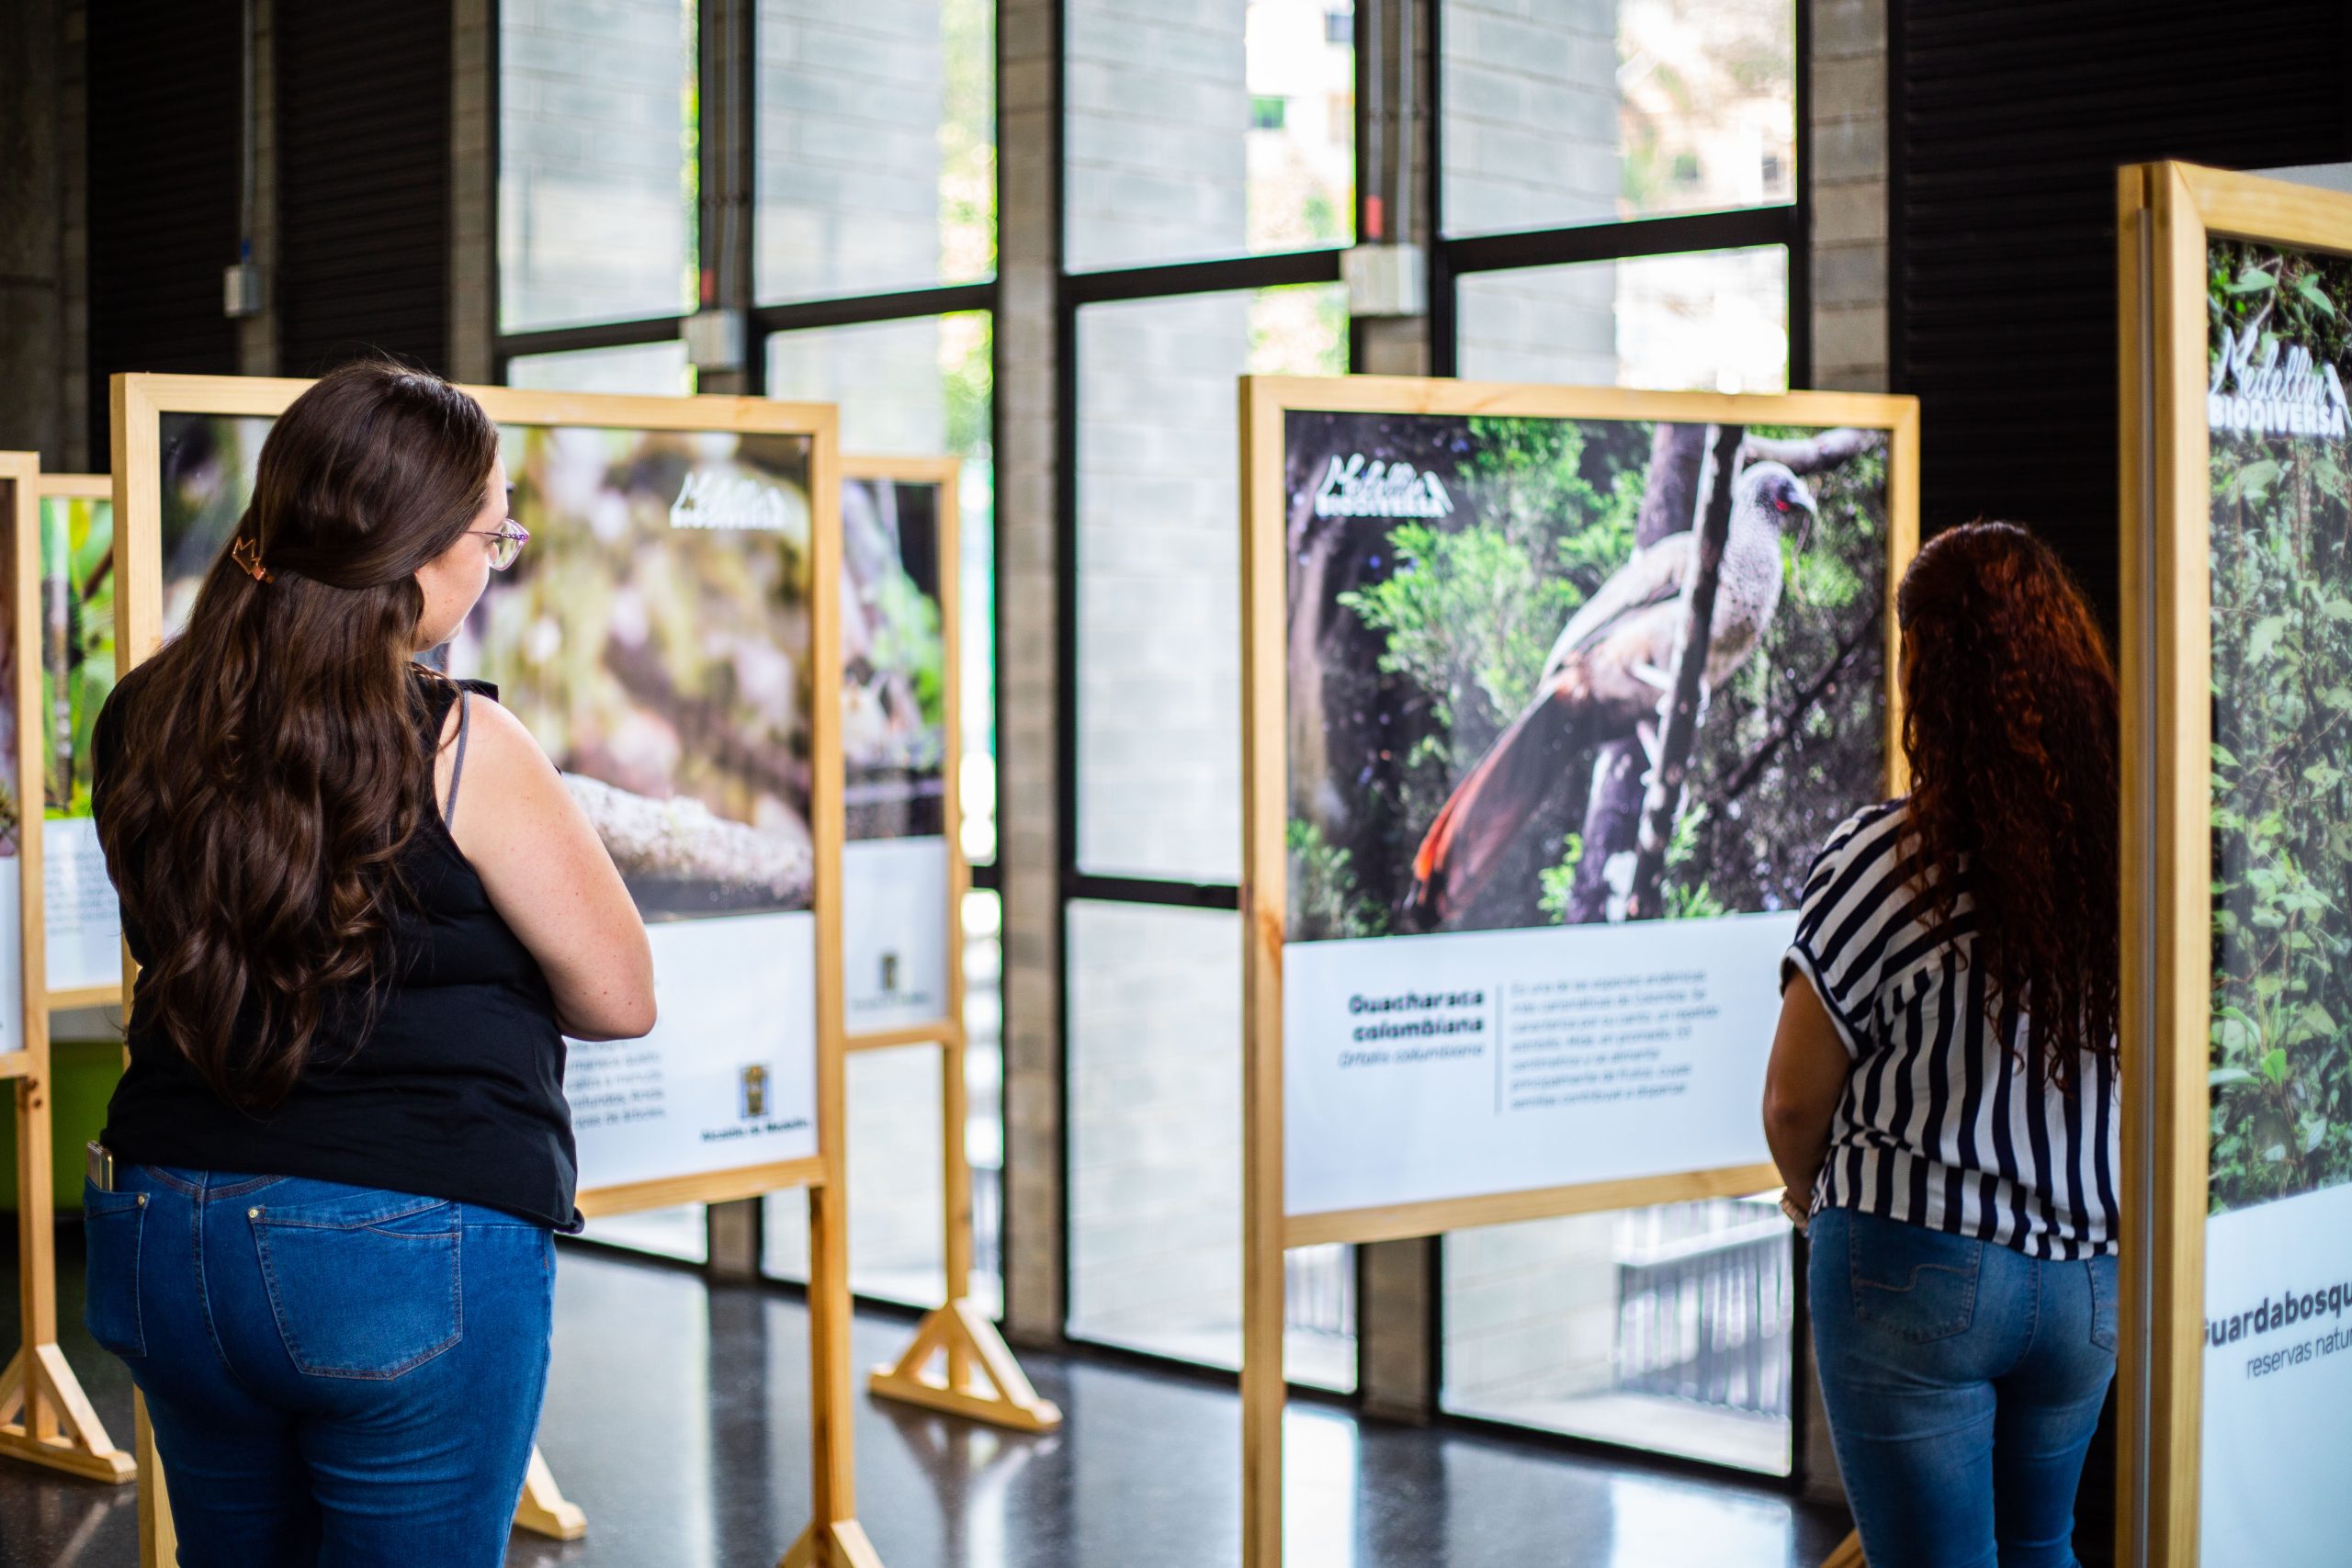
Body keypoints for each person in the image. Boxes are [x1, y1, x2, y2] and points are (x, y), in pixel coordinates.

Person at [84, 361, 656, 1567]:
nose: (495, 553)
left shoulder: (144, 712)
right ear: (412, 547)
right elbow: (619, 994)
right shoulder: (461, 741)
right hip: (404, 1241)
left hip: (166, 1225)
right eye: (491, 533)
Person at [1761, 521, 2120, 1568]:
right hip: (2088, 1285)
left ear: (1927, 676)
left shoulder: (1885, 858)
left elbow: (1791, 1104)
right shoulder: (2136, 863)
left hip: (1909, 1263)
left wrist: (1807, 1200)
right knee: (2039, 1546)